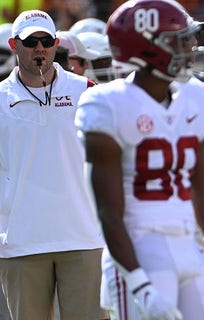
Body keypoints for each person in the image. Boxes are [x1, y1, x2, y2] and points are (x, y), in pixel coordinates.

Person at [75, 1, 204, 319]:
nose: (191, 47)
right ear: (148, 48)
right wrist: (139, 284)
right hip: (140, 246)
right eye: (180, 40)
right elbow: (108, 212)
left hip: (188, 242)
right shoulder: (106, 104)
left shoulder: (197, 97)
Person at [0, 9, 105, 319]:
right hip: (20, 242)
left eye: (46, 40)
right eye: (30, 41)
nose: (39, 48)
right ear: (13, 45)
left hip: (84, 238)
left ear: (56, 43)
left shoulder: (86, 91)